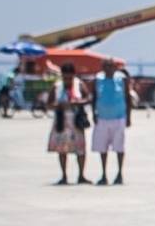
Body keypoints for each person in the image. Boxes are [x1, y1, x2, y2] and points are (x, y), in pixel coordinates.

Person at [47, 63, 92, 185]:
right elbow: (49, 103)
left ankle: (81, 175)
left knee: (80, 149)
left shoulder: (80, 84)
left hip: (76, 120)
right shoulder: (57, 86)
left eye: (69, 77)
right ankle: (64, 175)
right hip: (62, 120)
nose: (67, 79)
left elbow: (88, 98)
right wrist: (59, 105)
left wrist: (77, 102)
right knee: (62, 150)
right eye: (65, 77)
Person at [90, 57, 132, 185]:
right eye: (106, 66)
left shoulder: (122, 79)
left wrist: (129, 117)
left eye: (111, 66)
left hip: (118, 117)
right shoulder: (98, 79)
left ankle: (120, 173)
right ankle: (104, 174)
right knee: (102, 148)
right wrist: (94, 113)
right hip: (102, 117)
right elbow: (94, 97)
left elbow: (128, 97)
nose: (108, 68)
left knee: (119, 146)